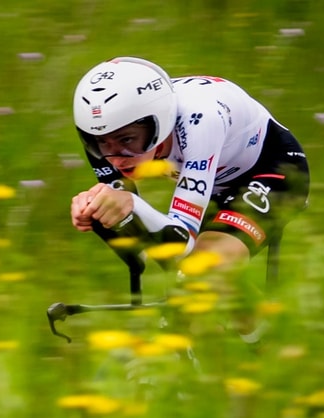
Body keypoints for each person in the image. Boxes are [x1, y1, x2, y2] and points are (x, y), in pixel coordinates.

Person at [70, 57, 310, 341]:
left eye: (127, 140)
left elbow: (181, 241)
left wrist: (131, 205)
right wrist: (99, 208)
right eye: (102, 143)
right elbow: (136, 227)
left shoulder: (201, 119)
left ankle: (280, 349)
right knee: (195, 282)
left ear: (159, 123)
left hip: (273, 169)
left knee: (206, 266)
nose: (115, 156)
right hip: (217, 177)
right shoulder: (105, 132)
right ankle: (262, 340)